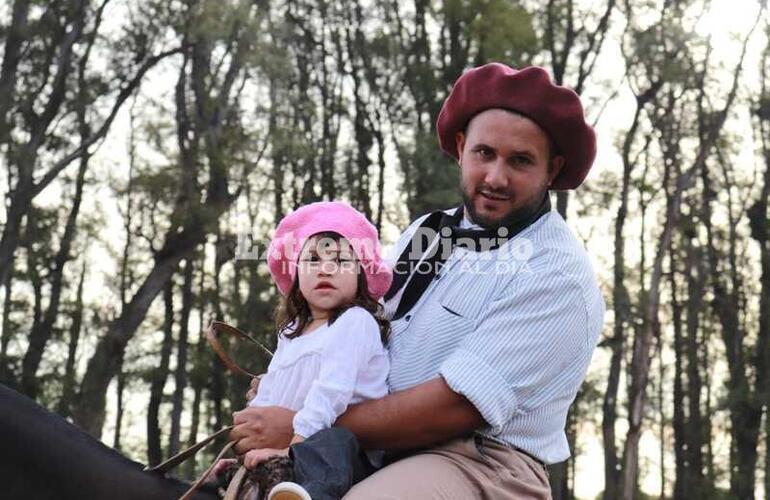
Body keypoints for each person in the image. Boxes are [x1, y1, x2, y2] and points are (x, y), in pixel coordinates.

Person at [230, 63, 605, 500]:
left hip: (477, 461)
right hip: (360, 443)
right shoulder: (427, 233)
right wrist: (297, 374)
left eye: (520, 161)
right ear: (462, 148)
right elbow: (362, 333)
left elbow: (453, 407)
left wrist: (300, 421)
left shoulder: (556, 275)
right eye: (485, 153)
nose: (495, 178)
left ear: (552, 169)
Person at [218, 201, 393, 500]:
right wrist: (248, 445)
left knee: (335, 441)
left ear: (360, 274)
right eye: (312, 259)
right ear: (297, 274)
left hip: (344, 454)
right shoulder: (292, 333)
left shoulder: (354, 322)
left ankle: (309, 496)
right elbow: (270, 393)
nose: (325, 268)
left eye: (339, 261)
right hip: (292, 441)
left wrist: (292, 448)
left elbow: (331, 393)